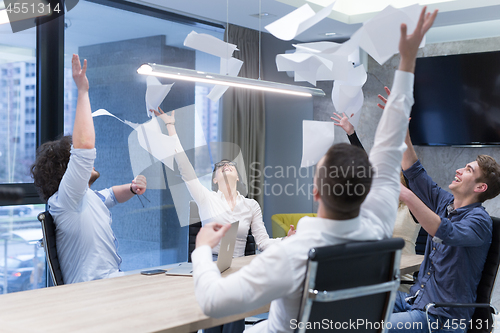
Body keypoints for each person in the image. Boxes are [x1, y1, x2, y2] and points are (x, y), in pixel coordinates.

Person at [190, 7, 437, 333]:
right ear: (366, 192)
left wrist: (202, 250)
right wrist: (407, 61)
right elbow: (390, 144)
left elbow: (213, 302)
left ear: (316, 191)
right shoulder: (377, 225)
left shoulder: (295, 255)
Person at [30, 55, 147, 284]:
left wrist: (132, 189)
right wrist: (83, 91)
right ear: (68, 169)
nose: (90, 163)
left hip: (110, 283)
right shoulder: (66, 199)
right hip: (92, 293)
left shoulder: (85, 199)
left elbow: (112, 195)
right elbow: (84, 147)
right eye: (77, 162)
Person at [386, 117, 500, 330]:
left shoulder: (480, 222)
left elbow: (444, 231)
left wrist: (408, 196)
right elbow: (414, 170)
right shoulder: (445, 202)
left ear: (480, 187)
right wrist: (401, 124)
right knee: (361, 304)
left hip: (442, 318)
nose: (458, 170)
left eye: (468, 170)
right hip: (416, 301)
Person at [153, 108, 295, 259]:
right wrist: (170, 127)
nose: (226, 165)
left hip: (239, 264)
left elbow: (263, 243)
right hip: (211, 261)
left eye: (231, 164)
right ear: (214, 179)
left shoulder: (251, 205)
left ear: (238, 177)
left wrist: (286, 240)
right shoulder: (205, 198)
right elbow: (184, 168)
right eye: (220, 166)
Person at [332, 112, 421, 293]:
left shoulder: (412, 206)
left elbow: (414, 173)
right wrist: (351, 133)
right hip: (372, 278)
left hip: (398, 284)